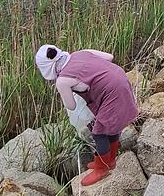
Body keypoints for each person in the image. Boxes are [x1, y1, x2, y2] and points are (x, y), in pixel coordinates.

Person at [35, 45, 138, 186]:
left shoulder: (62, 81)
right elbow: (109, 57)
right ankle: (110, 160)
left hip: (111, 92)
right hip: (121, 78)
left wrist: (71, 91)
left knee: (99, 132)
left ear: (46, 68)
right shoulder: (80, 53)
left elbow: (71, 106)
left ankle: (101, 169)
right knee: (111, 124)